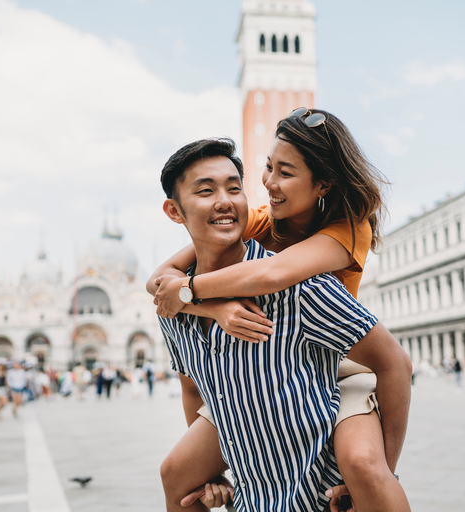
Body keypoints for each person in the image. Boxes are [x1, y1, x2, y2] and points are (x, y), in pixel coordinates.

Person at [150, 109, 405, 510]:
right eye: (268, 168)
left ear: (323, 184)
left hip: (340, 361)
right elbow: (162, 282)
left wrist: (387, 471)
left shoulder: (349, 228)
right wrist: (210, 309)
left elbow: (271, 275)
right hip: (262, 368)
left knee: (364, 465)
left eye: (285, 172)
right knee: (175, 474)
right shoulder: (259, 218)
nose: (268, 182)